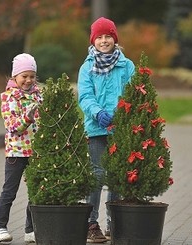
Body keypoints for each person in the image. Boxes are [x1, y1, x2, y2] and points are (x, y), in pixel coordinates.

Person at [77, 17, 135, 243]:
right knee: (98, 174)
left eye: (107, 36)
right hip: (97, 129)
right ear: (93, 40)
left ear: (114, 38)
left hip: (121, 128)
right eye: (99, 37)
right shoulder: (87, 67)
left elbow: (134, 92)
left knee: (117, 175)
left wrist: (123, 115)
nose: (104, 41)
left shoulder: (126, 65)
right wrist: (98, 113)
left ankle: (114, 222)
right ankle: (91, 223)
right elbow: (85, 96)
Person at [0, 53, 42, 243]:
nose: (28, 80)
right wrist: (28, 117)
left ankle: (31, 230)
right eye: (24, 76)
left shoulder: (39, 95)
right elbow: (13, 126)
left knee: (36, 191)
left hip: (37, 151)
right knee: (9, 191)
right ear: (15, 77)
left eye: (32, 76)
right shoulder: (9, 97)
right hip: (16, 152)